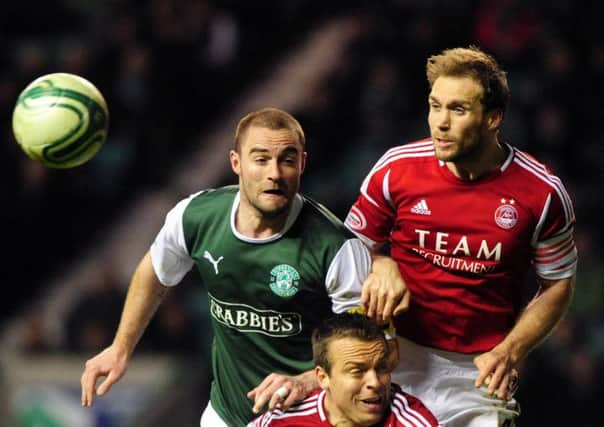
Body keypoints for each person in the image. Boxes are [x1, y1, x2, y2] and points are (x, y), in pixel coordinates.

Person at [80, 107, 406, 427]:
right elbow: (154, 272)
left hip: (305, 416)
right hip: (225, 415)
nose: (274, 173)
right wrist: (120, 348)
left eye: (287, 160)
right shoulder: (195, 216)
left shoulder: (335, 247)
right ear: (236, 163)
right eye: (261, 159)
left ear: (302, 164)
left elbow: (378, 351)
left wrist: (307, 381)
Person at [344, 46, 578, 426]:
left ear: (493, 118)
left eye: (458, 109)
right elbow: (345, 248)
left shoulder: (542, 194)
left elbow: (558, 284)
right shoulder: (396, 169)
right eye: (435, 106)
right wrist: (380, 261)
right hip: (389, 358)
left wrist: (510, 351)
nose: (440, 123)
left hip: (477, 372)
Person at [249, 312, 439, 427]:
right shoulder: (283, 420)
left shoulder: (411, 422)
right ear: (323, 377)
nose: (374, 382)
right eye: (357, 371)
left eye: (381, 367)